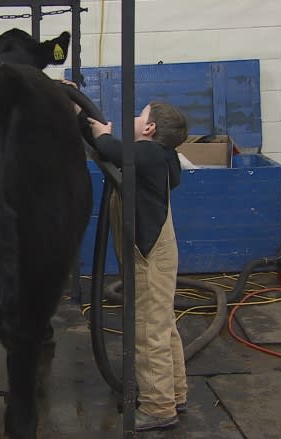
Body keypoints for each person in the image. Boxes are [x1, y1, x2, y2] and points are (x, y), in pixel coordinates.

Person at [85, 102, 189, 431]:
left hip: (149, 257)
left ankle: (159, 408)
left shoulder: (146, 154)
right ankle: (175, 392)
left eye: (141, 115)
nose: (134, 118)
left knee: (148, 329)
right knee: (161, 323)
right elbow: (106, 151)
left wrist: (102, 134)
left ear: (149, 129)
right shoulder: (159, 156)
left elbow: (107, 148)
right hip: (158, 251)